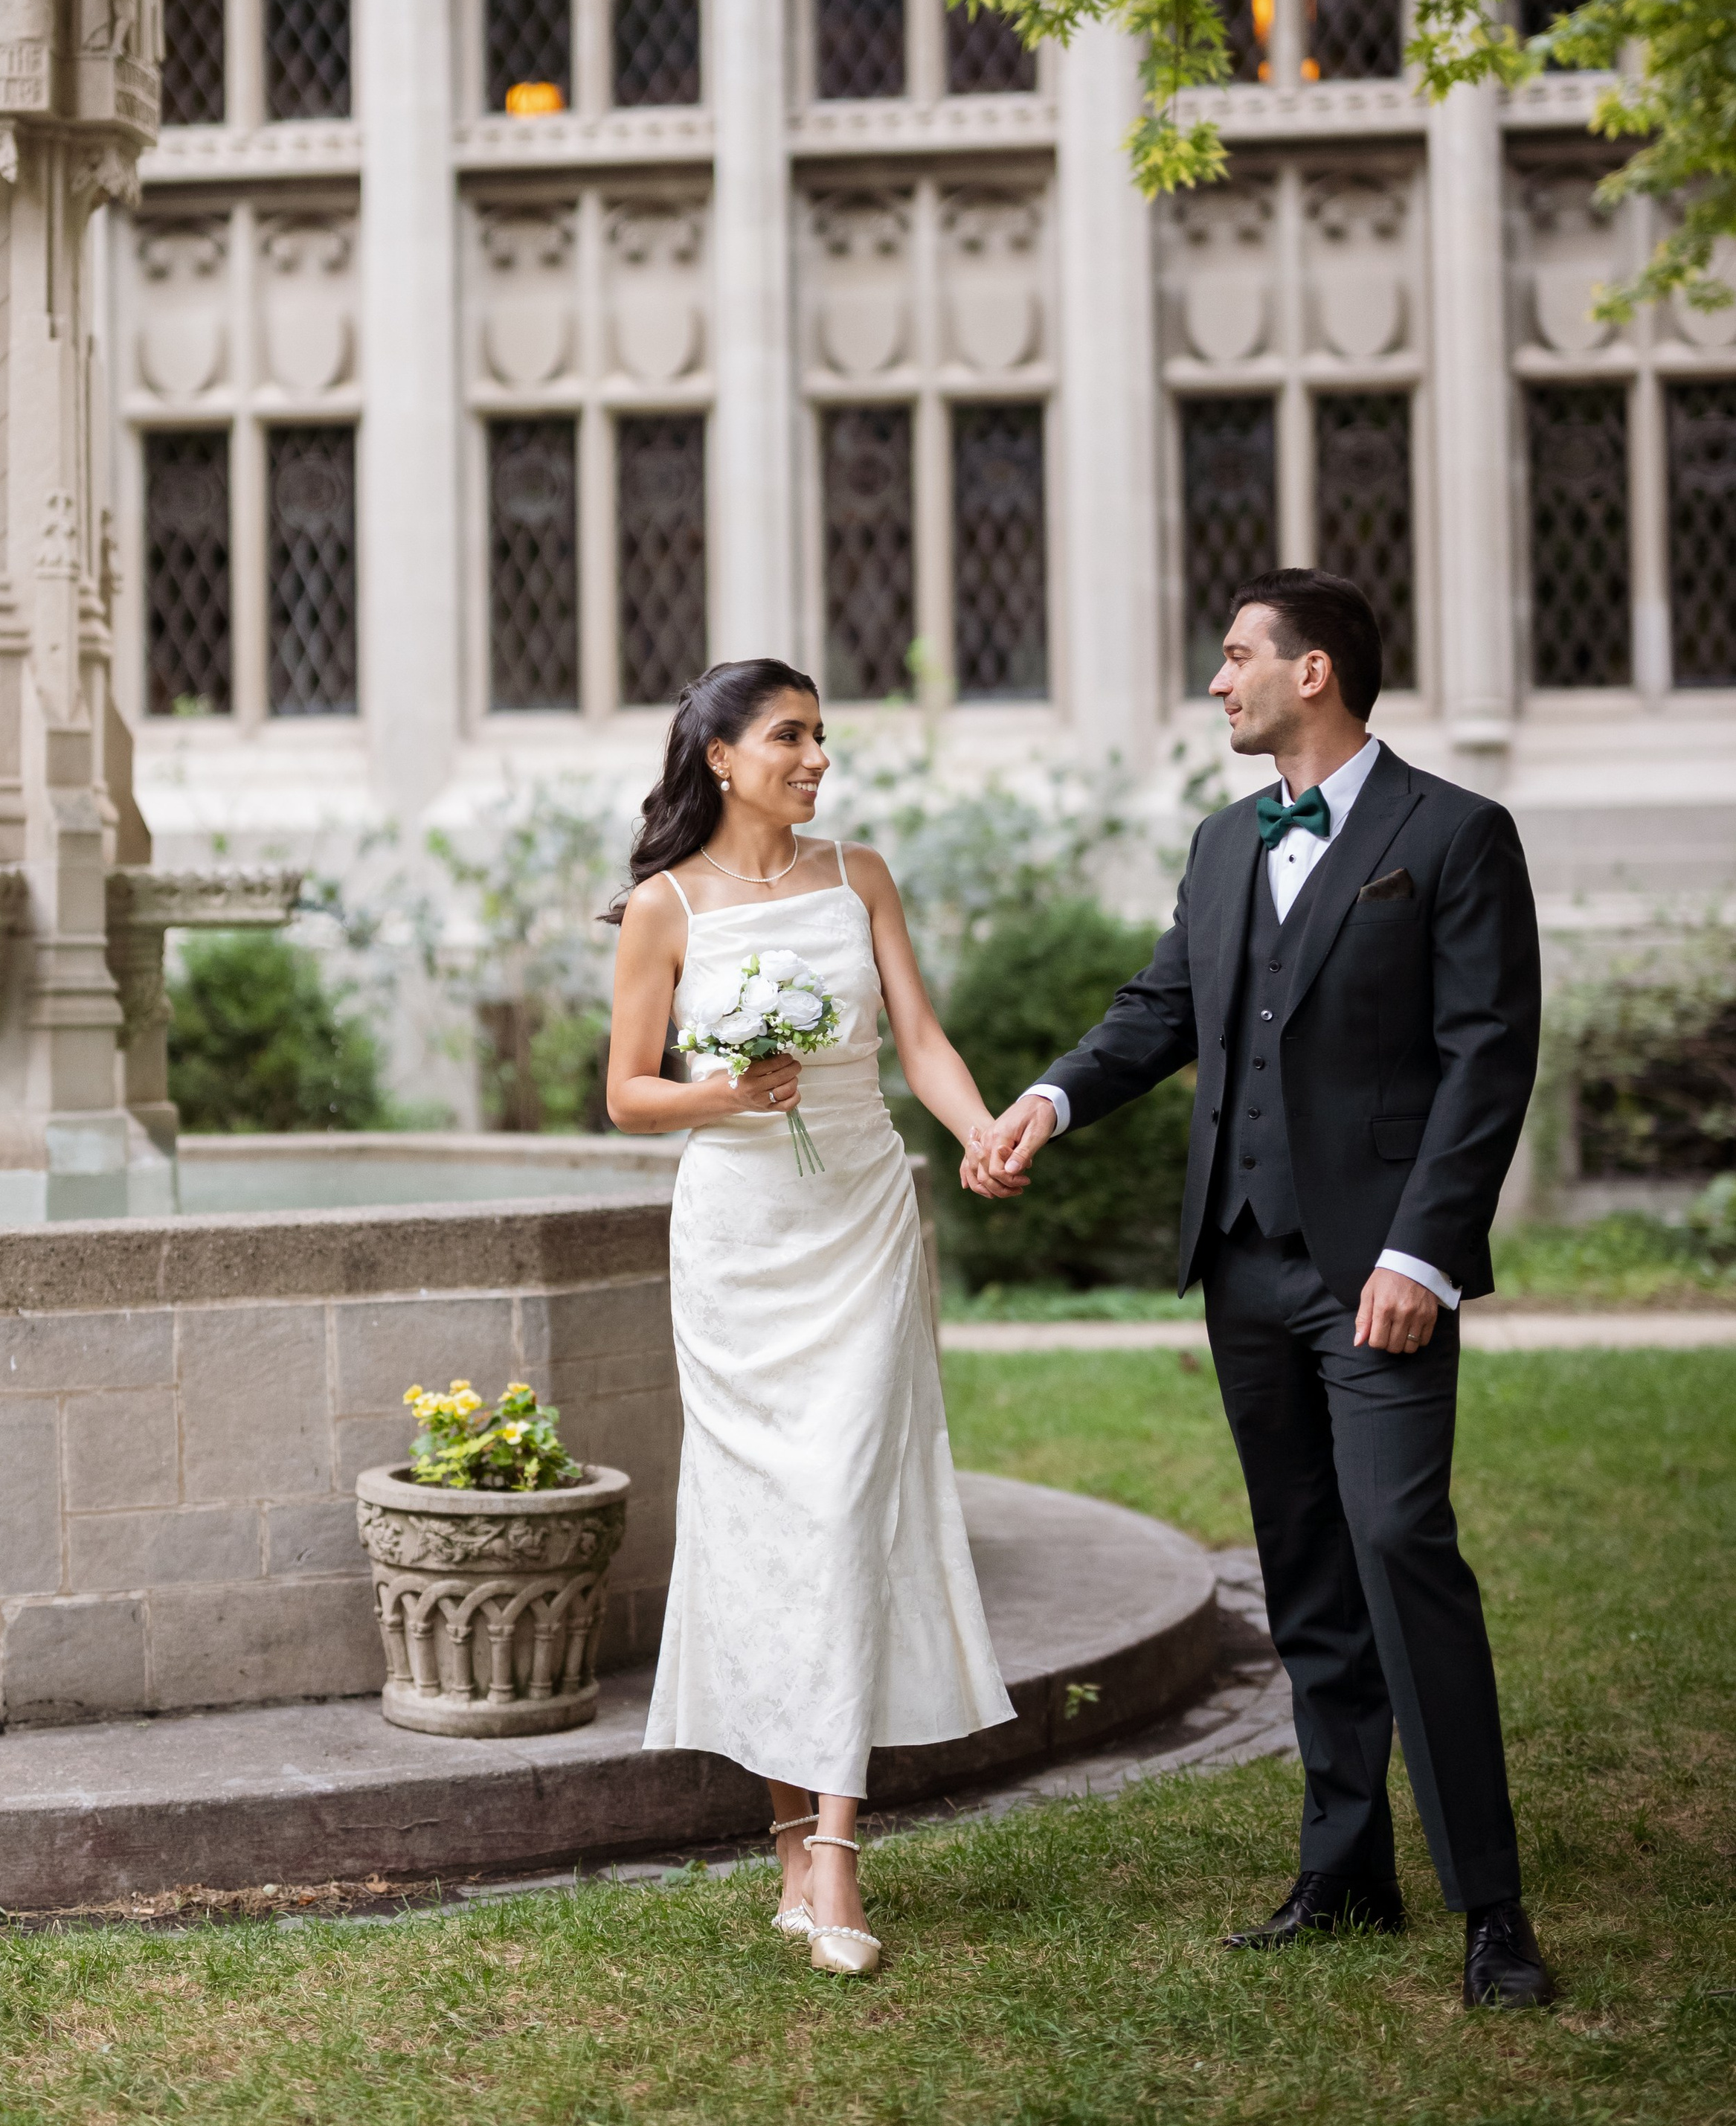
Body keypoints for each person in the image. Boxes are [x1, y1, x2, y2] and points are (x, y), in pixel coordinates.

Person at [967, 570, 1555, 2011]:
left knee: (1399, 1543)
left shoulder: (1455, 836)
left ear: (1313, 673)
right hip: (1241, 1266)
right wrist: (1049, 1097)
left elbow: (1487, 1056)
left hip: (1377, 1274)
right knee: (1303, 1573)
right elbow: (1162, 1008)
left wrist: (1421, 1252)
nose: (1214, 682)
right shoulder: (1226, 843)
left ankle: (1493, 1910)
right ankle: (1344, 1870)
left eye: (1235, 659)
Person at [609, 658, 1015, 1978]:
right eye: (790, 736)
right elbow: (627, 1094)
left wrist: (980, 1133)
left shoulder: (862, 877)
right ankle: (792, 1844)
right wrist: (729, 1094)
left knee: (846, 1504)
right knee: (765, 1525)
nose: (817, 759)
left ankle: (834, 1852)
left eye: (823, 738)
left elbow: (923, 1042)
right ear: (721, 756)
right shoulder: (663, 909)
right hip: (737, 1245)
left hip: (861, 1223)